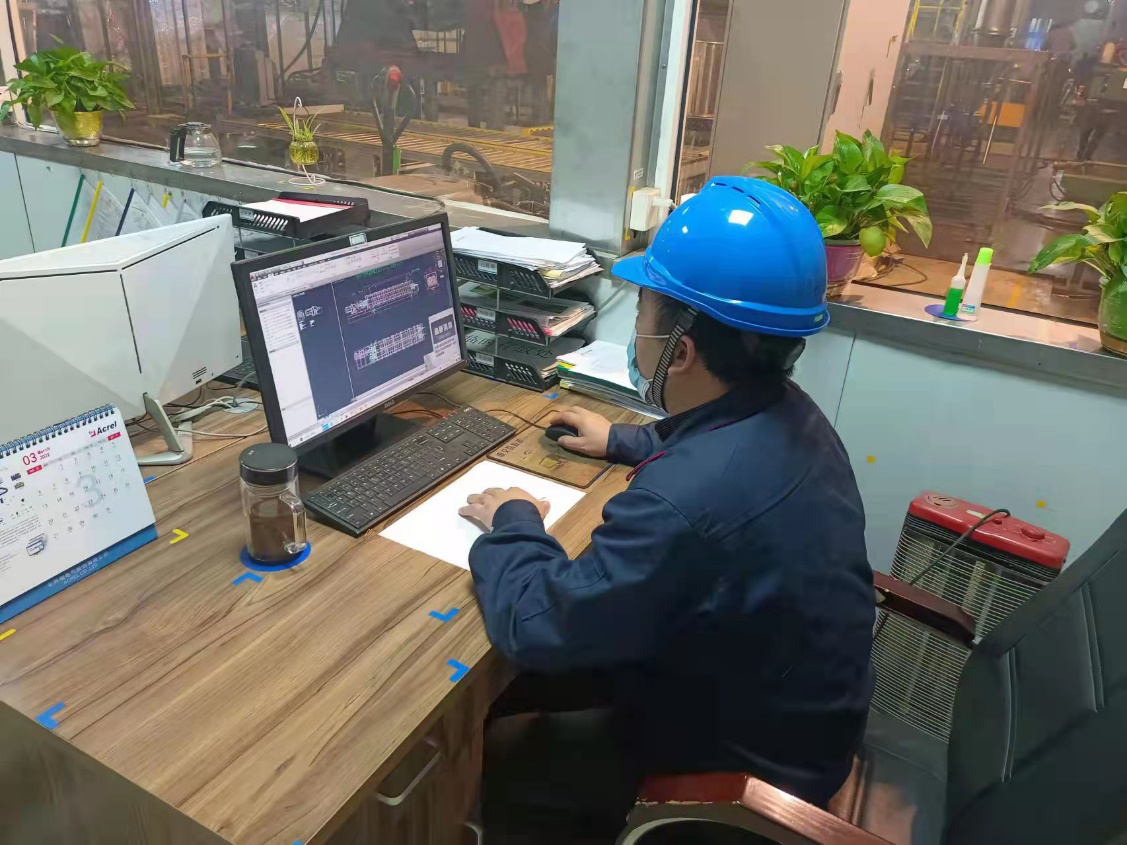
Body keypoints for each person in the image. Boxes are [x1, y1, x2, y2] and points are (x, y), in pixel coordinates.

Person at [460, 176, 876, 843]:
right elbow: (716, 445)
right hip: (801, 722)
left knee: (507, 749)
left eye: (643, 312)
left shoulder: (683, 501)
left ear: (679, 351)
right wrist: (623, 439)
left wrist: (513, 519)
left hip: (739, 782)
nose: (637, 332)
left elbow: (539, 626)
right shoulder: (792, 415)